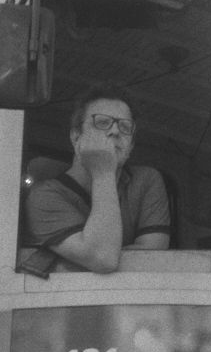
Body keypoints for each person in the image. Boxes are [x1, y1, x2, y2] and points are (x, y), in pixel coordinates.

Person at [25, 83, 170, 273]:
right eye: (102, 122)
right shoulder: (43, 196)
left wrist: (88, 252)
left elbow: (152, 254)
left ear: (131, 146)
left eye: (125, 127)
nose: (115, 131)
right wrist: (103, 172)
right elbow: (103, 259)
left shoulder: (146, 179)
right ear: (76, 137)